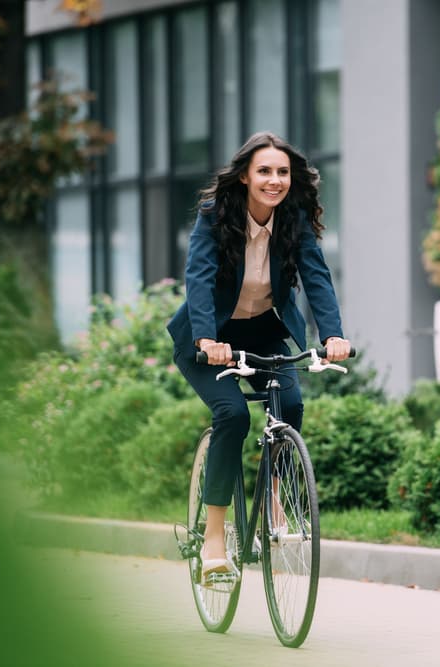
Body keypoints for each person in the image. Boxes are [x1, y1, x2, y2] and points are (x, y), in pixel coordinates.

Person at [167, 131, 351, 582]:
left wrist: (333, 334)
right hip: (209, 340)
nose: (275, 180)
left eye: (282, 172)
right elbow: (200, 279)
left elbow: (316, 277)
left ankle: (273, 494)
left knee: (289, 404)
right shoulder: (215, 217)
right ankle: (213, 540)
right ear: (246, 176)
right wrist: (207, 341)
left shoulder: (295, 218)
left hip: (265, 333)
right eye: (264, 171)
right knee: (233, 415)